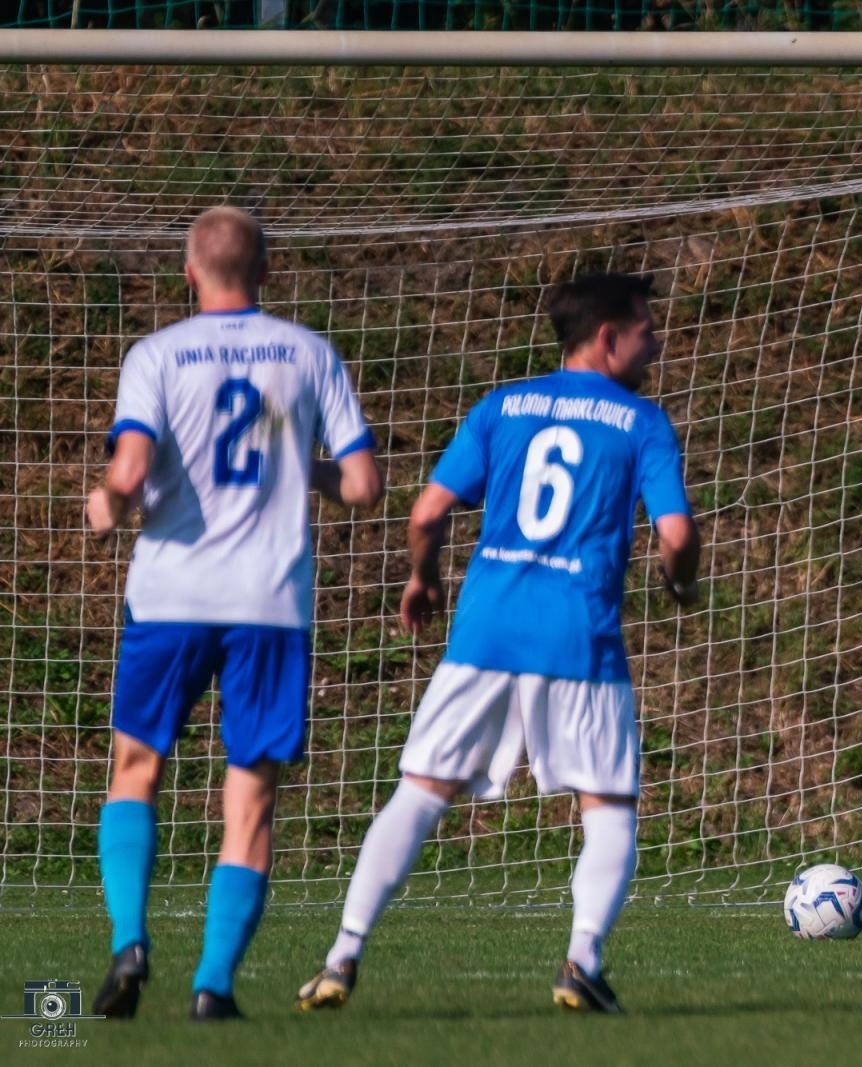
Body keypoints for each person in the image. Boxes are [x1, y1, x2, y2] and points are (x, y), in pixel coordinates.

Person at [294, 272, 699, 1017]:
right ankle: (581, 960)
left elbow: (426, 512)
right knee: (608, 807)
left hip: (483, 632)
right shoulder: (641, 421)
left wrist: (423, 579)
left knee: (418, 793)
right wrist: (681, 582)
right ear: (607, 338)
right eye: (646, 327)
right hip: (578, 637)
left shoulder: (501, 405)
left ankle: (341, 955)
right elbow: (674, 533)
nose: (657, 340)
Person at [87, 206, 384, 1021]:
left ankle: (129, 938)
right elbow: (362, 485)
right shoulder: (309, 352)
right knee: (250, 794)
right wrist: (306, 472)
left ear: (189, 272)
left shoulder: (157, 353)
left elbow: (133, 465)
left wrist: (109, 497)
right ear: (267, 269)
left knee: (135, 768)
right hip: (269, 602)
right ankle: (213, 986)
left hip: (172, 592)